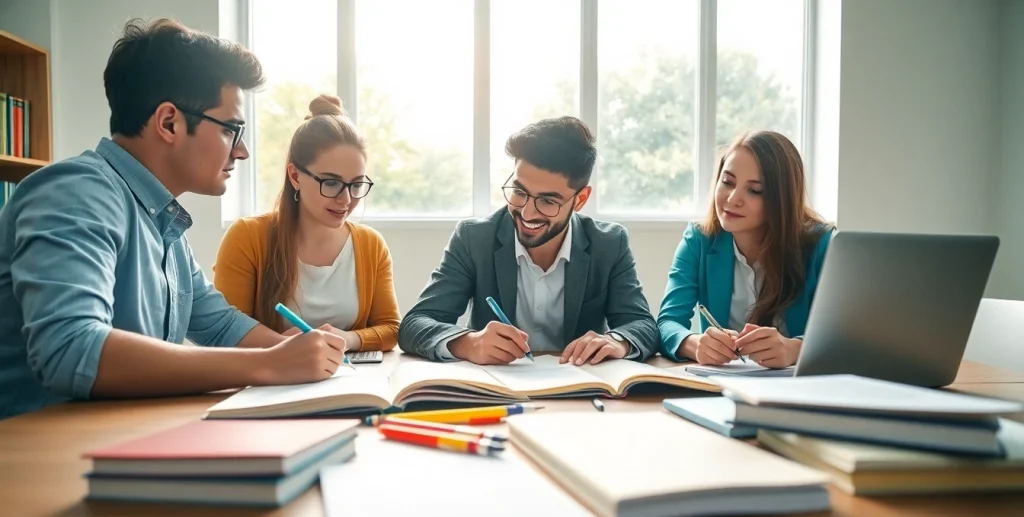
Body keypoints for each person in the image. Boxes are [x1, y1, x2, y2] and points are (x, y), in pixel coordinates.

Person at [0, 19, 347, 420]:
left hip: (115, 436)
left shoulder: (164, 223)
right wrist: (270, 364)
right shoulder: (77, 192)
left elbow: (220, 326)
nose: (242, 152)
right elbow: (72, 349)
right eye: (232, 130)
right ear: (169, 123)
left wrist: (295, 353)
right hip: (36, 448)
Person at [398, 116, 658, 365]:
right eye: (519, 192)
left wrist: (617, 341)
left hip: (579, 387)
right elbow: (415, 324)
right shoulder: (473, 238)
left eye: (548, 201)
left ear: (580, 200)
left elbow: (643, 325)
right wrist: (469, 343)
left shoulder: (609, 243)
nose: (527, 213)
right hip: (495, 387)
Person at [214, 95, 400, 352]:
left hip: (349, 374)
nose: (346, 199)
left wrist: (347, 340)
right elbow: (225, 332)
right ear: (295, 176)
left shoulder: (371, 245)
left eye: (356, 184)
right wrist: (282, 347)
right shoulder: (248, 237)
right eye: (331, 183)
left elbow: (391, 329)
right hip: (271, 375)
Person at [658, 130, 834, 368]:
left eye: (755, 190)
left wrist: (795, 349)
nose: (732, 199)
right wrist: (695, 344)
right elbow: (667, 323)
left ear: (782, 199)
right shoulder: (699, 240)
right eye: (727, 182)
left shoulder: (823, 245)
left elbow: (846, 336)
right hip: (721, 384)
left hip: (797, 386)